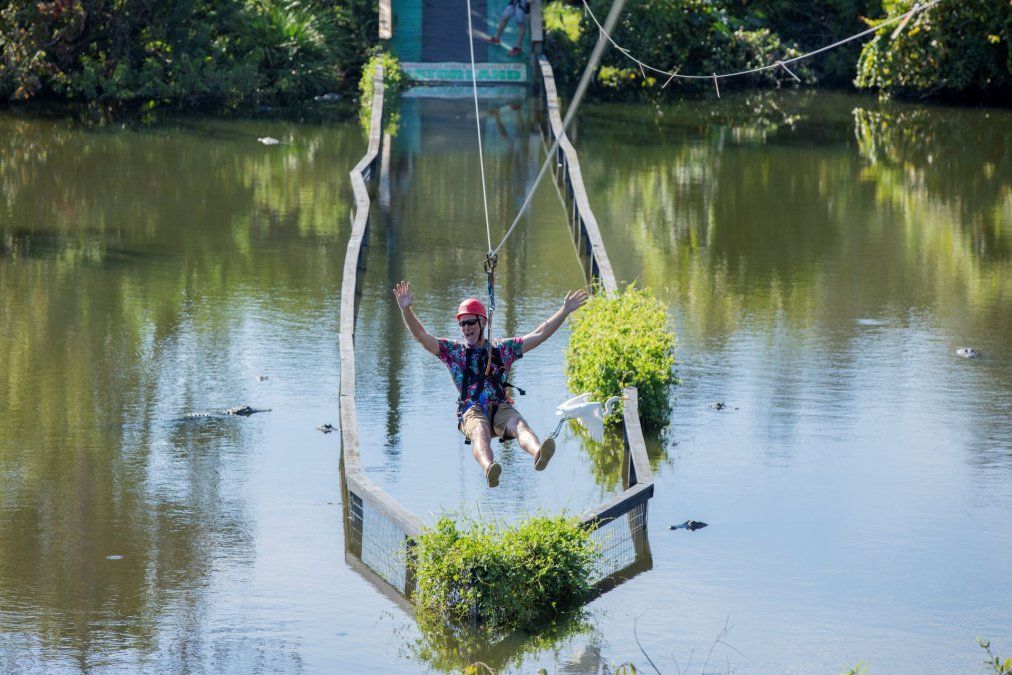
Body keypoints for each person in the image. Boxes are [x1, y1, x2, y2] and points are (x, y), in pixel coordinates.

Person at [392, 281, 589, 487]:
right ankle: (489, 467)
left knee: (518, 424)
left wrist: (564, 311)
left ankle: (538, 453)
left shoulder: (503, 348)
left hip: (500, 406)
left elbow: (539, 334)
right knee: (479, 432)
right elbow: (422, 337)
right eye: (462, 324)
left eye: (470, 323)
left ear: (483, 323)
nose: (466, 328)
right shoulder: (454, 352)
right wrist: (406, 310)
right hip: (472, 409)